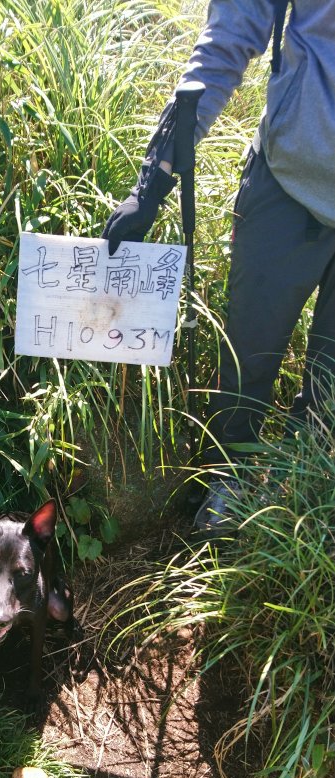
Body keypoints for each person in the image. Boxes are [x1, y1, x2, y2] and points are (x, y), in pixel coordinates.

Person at [103, 0, 335, 532]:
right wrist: (154, 179)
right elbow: (227, 40)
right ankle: (230, 477)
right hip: (288, 184)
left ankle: (301, 490)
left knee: (331, 389)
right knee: (249, 355)